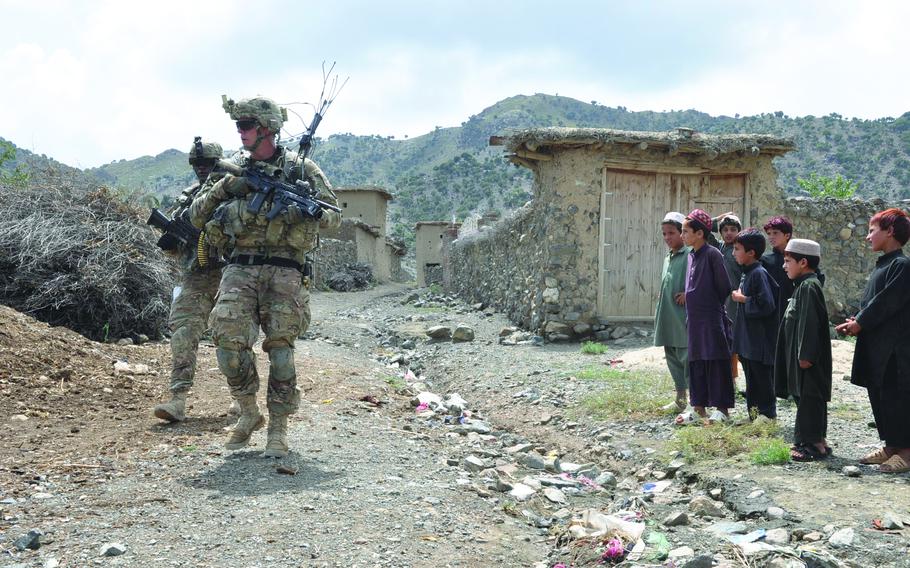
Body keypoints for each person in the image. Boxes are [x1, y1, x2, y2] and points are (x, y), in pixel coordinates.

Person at [190, 95, 341, 458]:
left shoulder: (302, 169)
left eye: (246, 126)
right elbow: (196, 218)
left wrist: (307, 211)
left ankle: (278, 427)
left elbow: (335, 217)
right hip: (240, 267)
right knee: (227, 347)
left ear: (267, 129)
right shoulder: (233, 169)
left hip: (286, 270)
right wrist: (224, 189)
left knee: (282, 354)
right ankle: (248, 411)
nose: (240, 133)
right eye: (238, 126)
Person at [153, 138, 229, 423]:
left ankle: (241, 401)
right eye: (197, 164)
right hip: (196, 275)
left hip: (228, 272)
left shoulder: (232, 192)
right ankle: (178, 399)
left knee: (231, 336)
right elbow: (172, 244)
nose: (201, 168)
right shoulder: (190, 196)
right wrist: (174, 237)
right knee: (183, 331)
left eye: (207, 163)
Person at [836, 209, 910, 473]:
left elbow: (886, 303)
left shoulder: (901, 265)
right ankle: (891, 447)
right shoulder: (884, 264)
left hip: (895, 349)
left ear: (890, 231)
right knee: (880, 395)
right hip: (878, 345)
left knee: (896, 398)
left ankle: (906, 453)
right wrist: (858, 318)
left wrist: (860, 322)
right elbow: (874, 303)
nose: (867, 237)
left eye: (871, 230)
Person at [774, 239, 832, 461]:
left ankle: (813, 444)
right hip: (802, 358)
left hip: (808, 359)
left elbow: (809, 324)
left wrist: (805, 355)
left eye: (788, 261)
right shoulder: (803, 286)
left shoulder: (808, 287)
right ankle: (818, 442)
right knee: (806, 398)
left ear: (804, 262)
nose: (784, 265)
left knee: (810, 398)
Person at [675, 209, 734, 425]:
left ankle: (722, 410)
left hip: (712, 318)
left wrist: (710, 306)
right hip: (695, 320)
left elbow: (724, 287)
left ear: (700, 233)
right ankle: (698, 407)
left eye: (686, 231)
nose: (682, 236)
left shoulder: (712, 254)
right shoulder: (691, 255)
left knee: (716, 361)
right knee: (697, 361)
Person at [730, 228, 778, 420]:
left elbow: (767, 305)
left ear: (751, 253)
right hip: (749, 340)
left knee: (761, 379)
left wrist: (743, 299)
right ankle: (754, 415)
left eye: (737, 249)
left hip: (759, 341)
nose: (733, 253)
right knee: (751, 378)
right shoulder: (747, 272)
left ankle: (767, 415)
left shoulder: (759, 273)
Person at [653, 212, 691, 412]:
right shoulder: (669, 257)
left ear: (682, 233)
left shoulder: (690, 255)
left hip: (683, 316)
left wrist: (688, 294)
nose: (667, 238)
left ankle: (696, 403)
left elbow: (697, 283)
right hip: (668, 314)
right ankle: (680, 399)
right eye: (664, 234)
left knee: (686, 358)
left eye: (672, 233)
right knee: (672, 357)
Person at [760, 216, 795, 326]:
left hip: (793, 311)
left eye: (775, 233)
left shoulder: (798, 259)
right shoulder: (765, 260)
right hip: (771, 314)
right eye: (769, 234)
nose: (771, 237)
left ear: (787, 235)